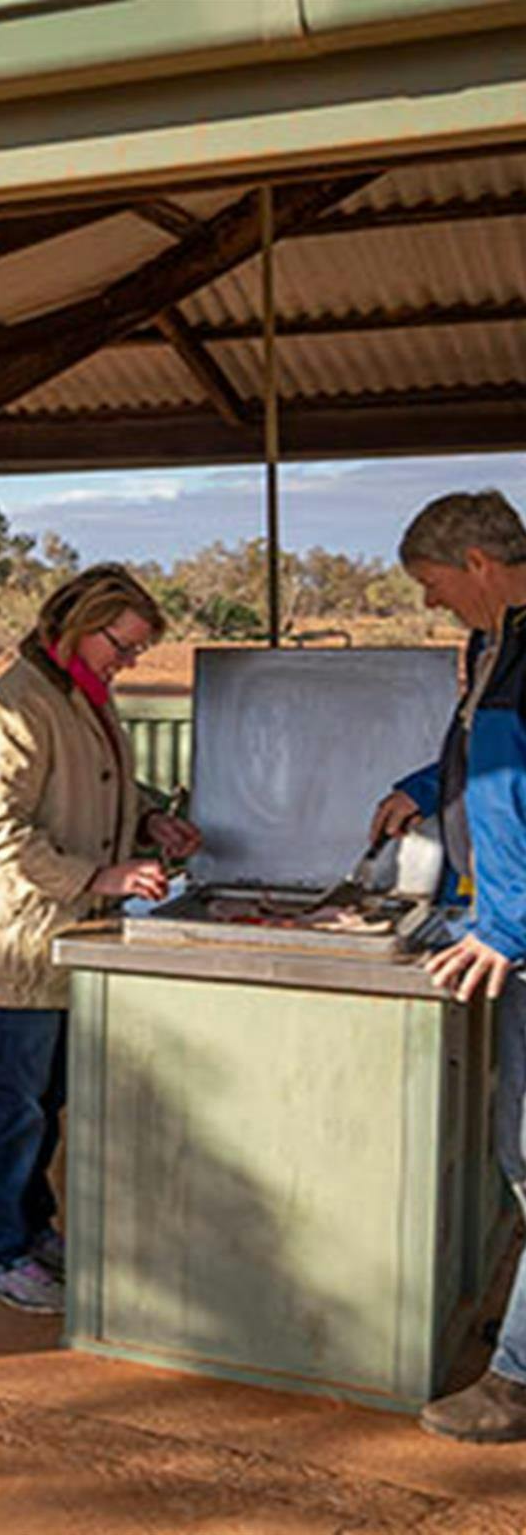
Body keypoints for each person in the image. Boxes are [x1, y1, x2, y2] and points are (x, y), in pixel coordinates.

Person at [0, 564, 201, 1314]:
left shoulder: (79, 695)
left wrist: (151, 820)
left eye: (137, 652)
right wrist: (103, 876)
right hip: (15, 939)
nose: (129, 662)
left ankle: (28, 1228)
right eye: (123, 646)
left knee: (45, 1099)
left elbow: (98, 786)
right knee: (9, 1104)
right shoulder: (12, 710)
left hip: (65, 932)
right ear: (81, 625)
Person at [366, 489, 526, 1443]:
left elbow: (516, 795)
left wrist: (505, 927)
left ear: (476, 563)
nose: (431, 605)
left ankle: (512, 1382)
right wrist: (419, 790)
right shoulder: (492, 647)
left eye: (432, 585)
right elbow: (481, 766)